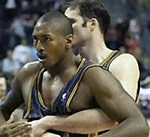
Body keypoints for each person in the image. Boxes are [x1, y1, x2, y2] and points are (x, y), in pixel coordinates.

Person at [0, 11, 148, 137]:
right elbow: (3, 110)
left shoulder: (92, 75)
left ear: (68, 41)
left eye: (46, 39)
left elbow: (138, 124)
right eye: (35, 39)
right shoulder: (27, 73)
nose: (39, 47)